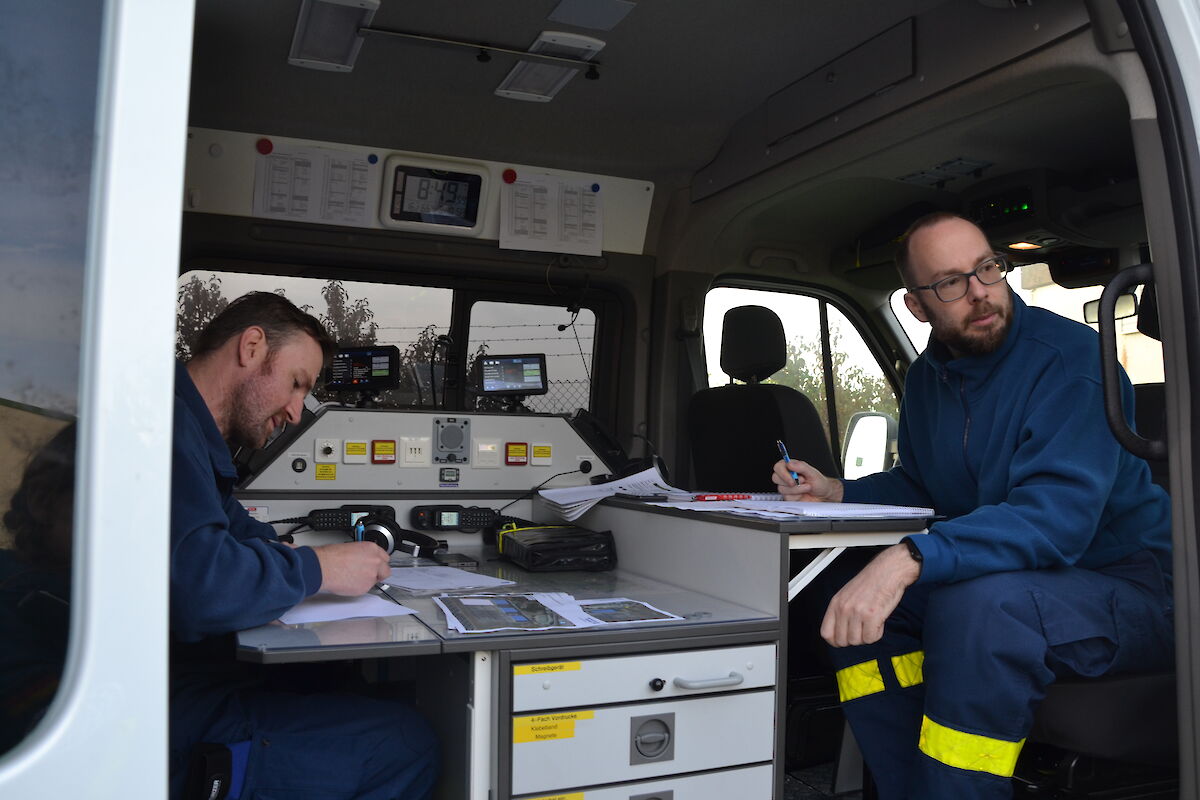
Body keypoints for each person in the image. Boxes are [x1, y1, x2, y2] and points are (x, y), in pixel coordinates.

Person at [772, 212, 1173, 799]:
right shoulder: (930, 379)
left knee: (979, 610)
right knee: (853, 613)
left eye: (988, 268)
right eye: (951, 282)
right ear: (917, 306)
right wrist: (838, 492)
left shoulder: (1070, 363)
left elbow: (1054, 520)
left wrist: (908, 557)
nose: (980, 293)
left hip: (1132, 586)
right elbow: (924, 488)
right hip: (1033, 580)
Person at [170, 292, 437, 800]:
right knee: (406, 741)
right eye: (297, 385)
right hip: (143, 704)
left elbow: (243, 538)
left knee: (341, 684)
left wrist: (294, 558)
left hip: (168, 670)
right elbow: (202, 586)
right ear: (251, 347)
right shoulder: (164, 431)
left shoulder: (195, 441)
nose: (296, 413)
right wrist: (317, 568)